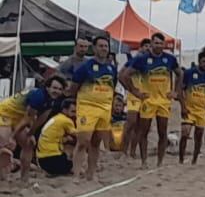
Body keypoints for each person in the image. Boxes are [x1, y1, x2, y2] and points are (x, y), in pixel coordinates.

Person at [120, 33, 182, 168]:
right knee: (143, 131)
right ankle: (144, 161)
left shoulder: (170, 59)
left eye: (161, 43)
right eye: (156, 43)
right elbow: (125, 75)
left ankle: (160, 162)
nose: (158, 46)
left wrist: (175, 92)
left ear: (164, 45)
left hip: (164, 100)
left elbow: (180, 73)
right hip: (148, 100)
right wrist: (135, 91)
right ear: (151, 44)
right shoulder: (142, 59)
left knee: (162, 131)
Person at [66, 35, 118, 181]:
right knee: (83, 141)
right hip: (87, 108)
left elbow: (112, 88)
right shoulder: (85, 67)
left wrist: (112, 104)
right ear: (94, 48)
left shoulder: (111, 68)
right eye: (101, 46)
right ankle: (76, 174)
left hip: (104, 109)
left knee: (96, 143)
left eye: (106, 46)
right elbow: (73, 88)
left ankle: (90, 174)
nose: (104, 49)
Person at [1, 74, 67, 181]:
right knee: (6, 144)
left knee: (29, 144)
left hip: (19, 116)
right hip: (5, 113)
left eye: (60, 89)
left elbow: (40, 119)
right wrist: (12, 137)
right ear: (47, 87)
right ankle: (3, 175)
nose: (57, 91)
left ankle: (24, 178)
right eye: (54, 88)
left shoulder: (53, 100)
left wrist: (31, 133)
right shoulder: (39, 96)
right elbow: (28, 118)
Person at [179, 49, 205, 165]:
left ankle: (194, 159)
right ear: (199, 61)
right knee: (185, 133)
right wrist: (183, 106)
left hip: (202, 111)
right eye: (204, 61)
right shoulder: (189, 73)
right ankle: (181, 159)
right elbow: (180, 90)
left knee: (198, 135)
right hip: (189, 109)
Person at [36, 97, 78, 178]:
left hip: (41, 159)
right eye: (73, 111)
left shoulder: (57, 118)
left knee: (68, 141)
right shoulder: (66, 121)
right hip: (51, 158)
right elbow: (79, 136)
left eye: (76, 112)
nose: (75, 114)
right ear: (64, 110)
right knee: (74, 163)